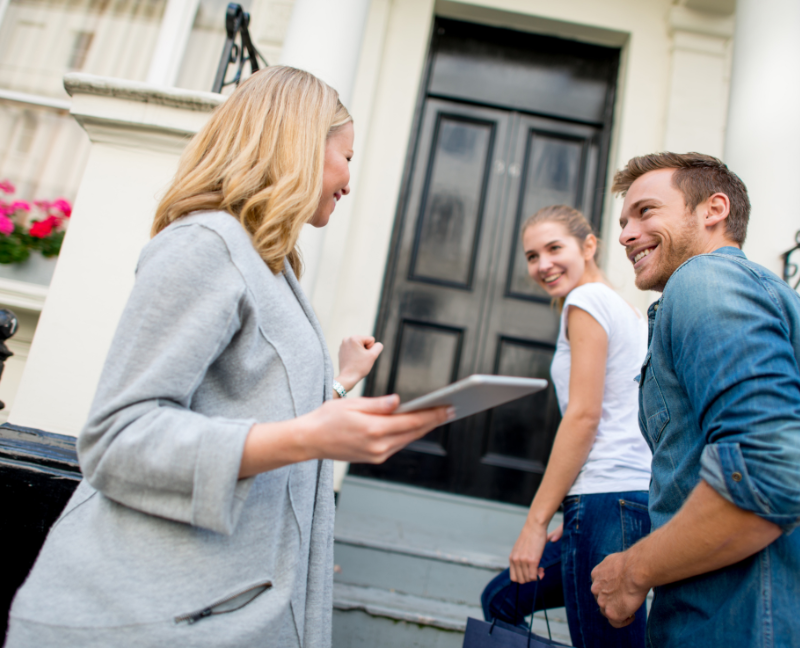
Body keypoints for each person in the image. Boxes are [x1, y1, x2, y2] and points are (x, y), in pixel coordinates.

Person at [5, 66, 450, 648]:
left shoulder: (271, 264)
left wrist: (338, 387)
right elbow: (117, 438)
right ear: (297, 146)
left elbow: (246, 409)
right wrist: (311, 438)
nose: (348, 181)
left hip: (226, 612)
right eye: (346, 157)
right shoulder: (204, 245)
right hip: (155, 621)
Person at [590, 152, 800, 646]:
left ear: (713, 210)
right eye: (623, 222)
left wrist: (633, 570)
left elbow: (770, 472)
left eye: (645, 211)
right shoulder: (750, 290)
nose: (624, 235)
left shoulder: (704, 280)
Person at [481, 205, 652, 648]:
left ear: (589, 245)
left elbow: (584, 415)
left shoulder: (585, 301)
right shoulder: (628, 310)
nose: (542, 265)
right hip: (623, 500)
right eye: (532, 256)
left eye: (554, 248)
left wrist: (536, 523)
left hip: (604, 498)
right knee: (502, 600)